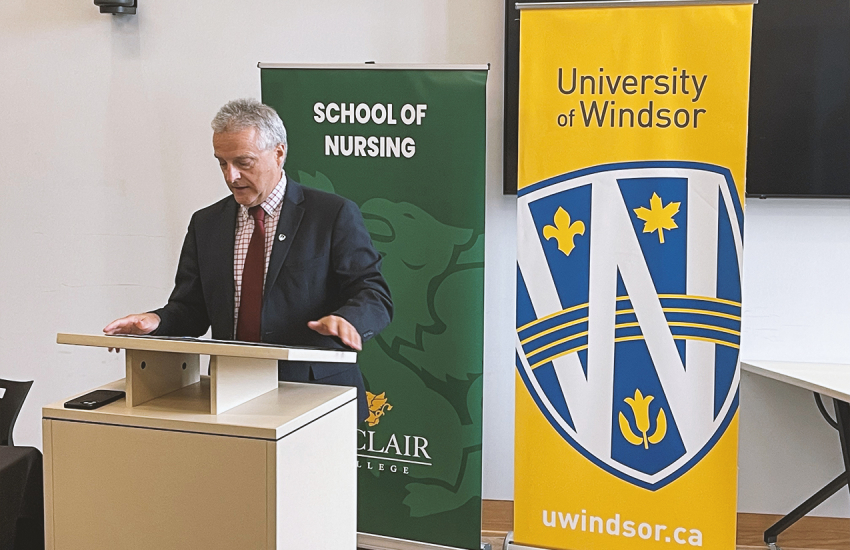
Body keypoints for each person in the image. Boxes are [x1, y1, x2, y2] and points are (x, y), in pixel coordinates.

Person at [104, 98, 393, 421]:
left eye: (244, 162)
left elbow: (373, 294)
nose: (232, 176)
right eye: (222, 163)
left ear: (279, 153)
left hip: (315, 396)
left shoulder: (331, 215)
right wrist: (155, 322)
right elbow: (192, 310)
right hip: (230, 395)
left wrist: (349, 319)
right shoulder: (207, 224)